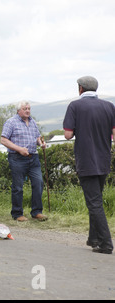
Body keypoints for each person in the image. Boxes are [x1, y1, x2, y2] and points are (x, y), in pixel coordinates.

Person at [63, 76, 114, 254]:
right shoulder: (109, 106)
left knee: (94, 203)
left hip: (86, 160)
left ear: (80, 89)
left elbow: (68, 134)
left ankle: (106, 243)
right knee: (96, 200)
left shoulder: (75, 106)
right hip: (104, 159)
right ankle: (94, 239)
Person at [0, 100, 48, 222]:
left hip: (33, 158)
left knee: (39, 183)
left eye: (29, 108)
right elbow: (3, 140)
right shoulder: (11, 122)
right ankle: (17, 214)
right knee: (18, 187)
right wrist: (19, 149)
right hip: (17, 158)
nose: (27, 110)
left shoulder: (32, 122)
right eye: (25, 108)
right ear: (18, 110)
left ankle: (37, 212)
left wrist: (41, 143)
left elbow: (37, 137)